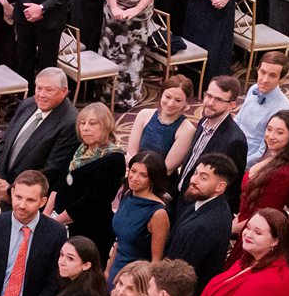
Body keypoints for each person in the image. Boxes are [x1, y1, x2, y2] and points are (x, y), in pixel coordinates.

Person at [52, 102, 126, 254]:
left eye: (92, 124)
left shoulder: (114, 159)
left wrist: (54, 223)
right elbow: (60, 183)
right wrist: (46, 216)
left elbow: (91, 202)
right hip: (62, 221)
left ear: (106, 126)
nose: (85, 128)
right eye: (82, 123)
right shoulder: (79, 148)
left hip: (89, 230)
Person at [166, 155, 240, 291]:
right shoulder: (209, 203)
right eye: (195, 173)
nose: (194, 180)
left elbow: (181, 273)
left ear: (220, 187)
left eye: (203, 178)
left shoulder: (204, 226)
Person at [170, 74, 250, 195]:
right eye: (209, 95)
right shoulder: (204, 121)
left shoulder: (235, 141)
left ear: (231, 106)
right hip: (182, 194)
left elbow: (231, 187)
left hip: (199, 204)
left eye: (218, 99)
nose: (210, 103)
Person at [236, 109, 289, 229]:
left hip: (252, 229)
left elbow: (263, 218)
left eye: (280, 133)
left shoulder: (282, 173)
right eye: (269, 129)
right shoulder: (275, 152)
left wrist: (228, 229)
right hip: (244, 217)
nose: (271, 136)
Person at [108, 153, 171, 270]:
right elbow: (120, 241)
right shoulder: (128, 194)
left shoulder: (158, 213)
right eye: (133, 171)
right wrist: (107, 270)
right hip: (116, 266)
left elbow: (156, 261)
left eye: (143, 175)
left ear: (152, 179)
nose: (135, 178)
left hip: (136, 276)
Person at [234, 50, 289, 164]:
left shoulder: (282, 109)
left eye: (272, 75)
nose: (264, 80)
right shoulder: (253, 89)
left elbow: (264, 152)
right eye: (263, 72)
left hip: (249, 158)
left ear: (281, 79)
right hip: (234, 145)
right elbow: (238, 119)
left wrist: (239, 164)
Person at [129, 76, 193, 172]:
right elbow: (131, 153)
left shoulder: (187, 129)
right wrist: (135, 173)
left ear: (185, 102)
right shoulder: (144, 114)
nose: (171, 103)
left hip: (161, 180)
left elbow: (168, 168)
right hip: (136, 173)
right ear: (161, 95)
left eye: (178, 100)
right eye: (168, 97)